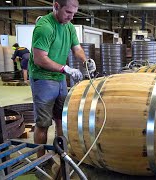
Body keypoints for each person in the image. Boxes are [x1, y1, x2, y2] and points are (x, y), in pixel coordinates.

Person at [29, 0, 92, 158]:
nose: (71, 17)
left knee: (61, 119)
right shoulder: (45, 27)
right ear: (56, 6)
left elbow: (77, 49)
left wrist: (86, 61)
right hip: (42, 79)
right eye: (68, 13)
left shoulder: (69, 27)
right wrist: (66, 68)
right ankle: (41, 160)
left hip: (60, 79)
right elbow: (39, 59)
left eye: (74, 14)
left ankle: (60, 154)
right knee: (43, 123)